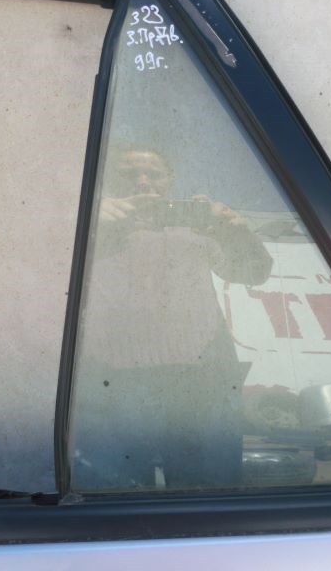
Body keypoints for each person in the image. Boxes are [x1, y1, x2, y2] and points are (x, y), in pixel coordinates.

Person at [72, 149, 272, 491]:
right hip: (107, 384)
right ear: (108, 179)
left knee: (209, 499)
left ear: (170, 181)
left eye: (153, 174)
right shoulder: (88, 222)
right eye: (129, 172)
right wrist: (81, 219)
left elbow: (253, 273)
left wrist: (237, 230)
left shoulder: (195, 226)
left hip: (200, 385)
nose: (142, 181)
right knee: (110, 500)